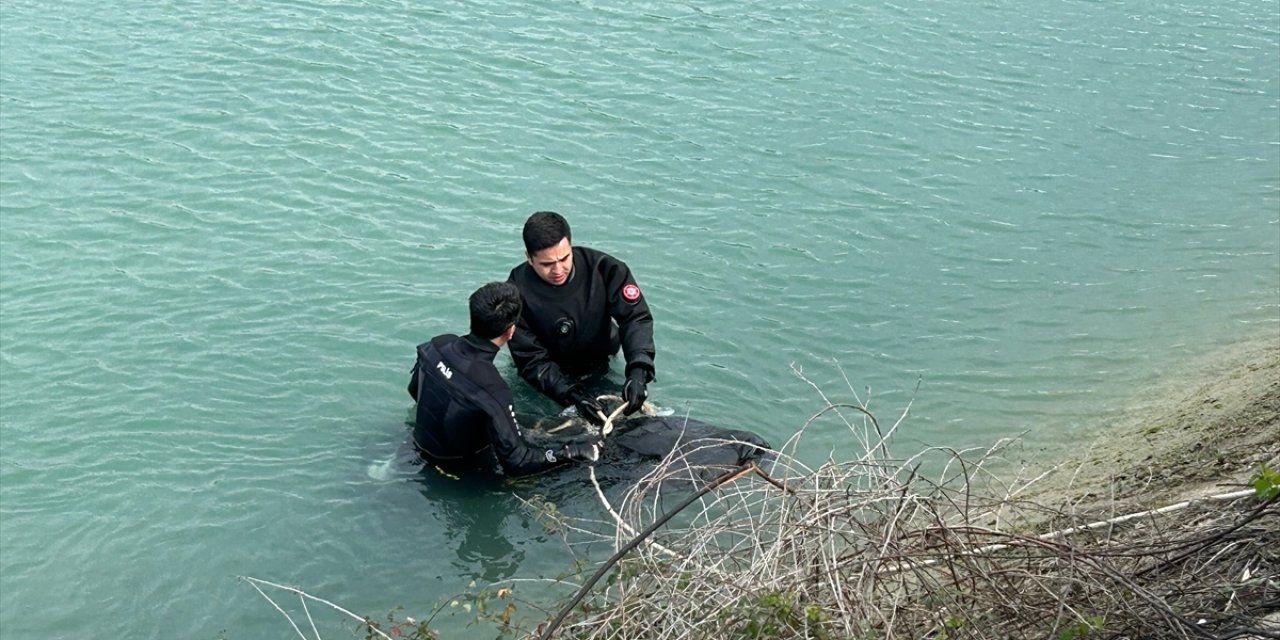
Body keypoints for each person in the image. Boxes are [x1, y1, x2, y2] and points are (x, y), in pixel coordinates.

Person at [408, 281, 599, 477]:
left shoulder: (437, 344)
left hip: (421, 445)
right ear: (510, 331)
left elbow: (415, 391)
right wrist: (573, 452)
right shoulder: (493, 388)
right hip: (460, 472)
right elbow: (518, 462)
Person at [506, 211, 655, 425]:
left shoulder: (605, 269)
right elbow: (531, 360)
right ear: (529, 258)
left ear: (571, 247)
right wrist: (572, 396)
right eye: (547, 264)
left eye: (564, 258)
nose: (558, 270)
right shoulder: (515, 293)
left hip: (600, 362)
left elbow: (635, 317)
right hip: (547, 377)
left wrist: (639, 370)